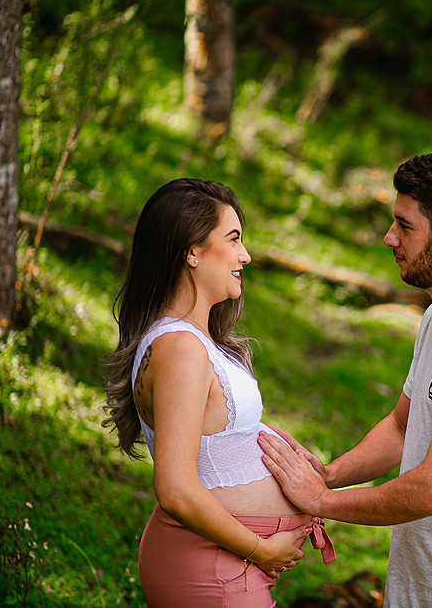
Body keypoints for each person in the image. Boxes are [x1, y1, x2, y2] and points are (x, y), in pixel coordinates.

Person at [259, 150, 432, 606]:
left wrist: (322, 502)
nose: (389, 237)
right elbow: (401, 427)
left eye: (405, 225)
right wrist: (328, 475)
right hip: (424, 586)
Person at [102, 179, 335, 607]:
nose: (245, 255)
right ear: (192, 252)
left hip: (222, 563)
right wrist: (261, 549)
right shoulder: (179, 348)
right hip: (212, 566)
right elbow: (175, 489)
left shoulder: (193, 341)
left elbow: (212, 433)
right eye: (233, 239)